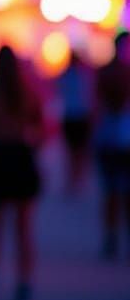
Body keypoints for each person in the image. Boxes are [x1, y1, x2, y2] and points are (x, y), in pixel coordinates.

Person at [0, 45, 45, 300]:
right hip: (22, 156)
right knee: (23, 227)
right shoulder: (29, 92)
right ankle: (24, 280)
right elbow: (41, 128)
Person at [95, 31, 130, 259]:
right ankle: (111, 235)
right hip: (112, 138)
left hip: (116, 137)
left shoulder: (108, 72)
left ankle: (115, 236)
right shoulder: (109, 72)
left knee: (119, 192)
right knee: (112, 192)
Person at [57, 50, 92, 193]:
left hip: (72, 116)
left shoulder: (66, 75)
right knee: (77, 151)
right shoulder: (83, 75)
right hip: (78, 116)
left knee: (73, 151)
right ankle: (76, 180)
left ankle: (74, 180)